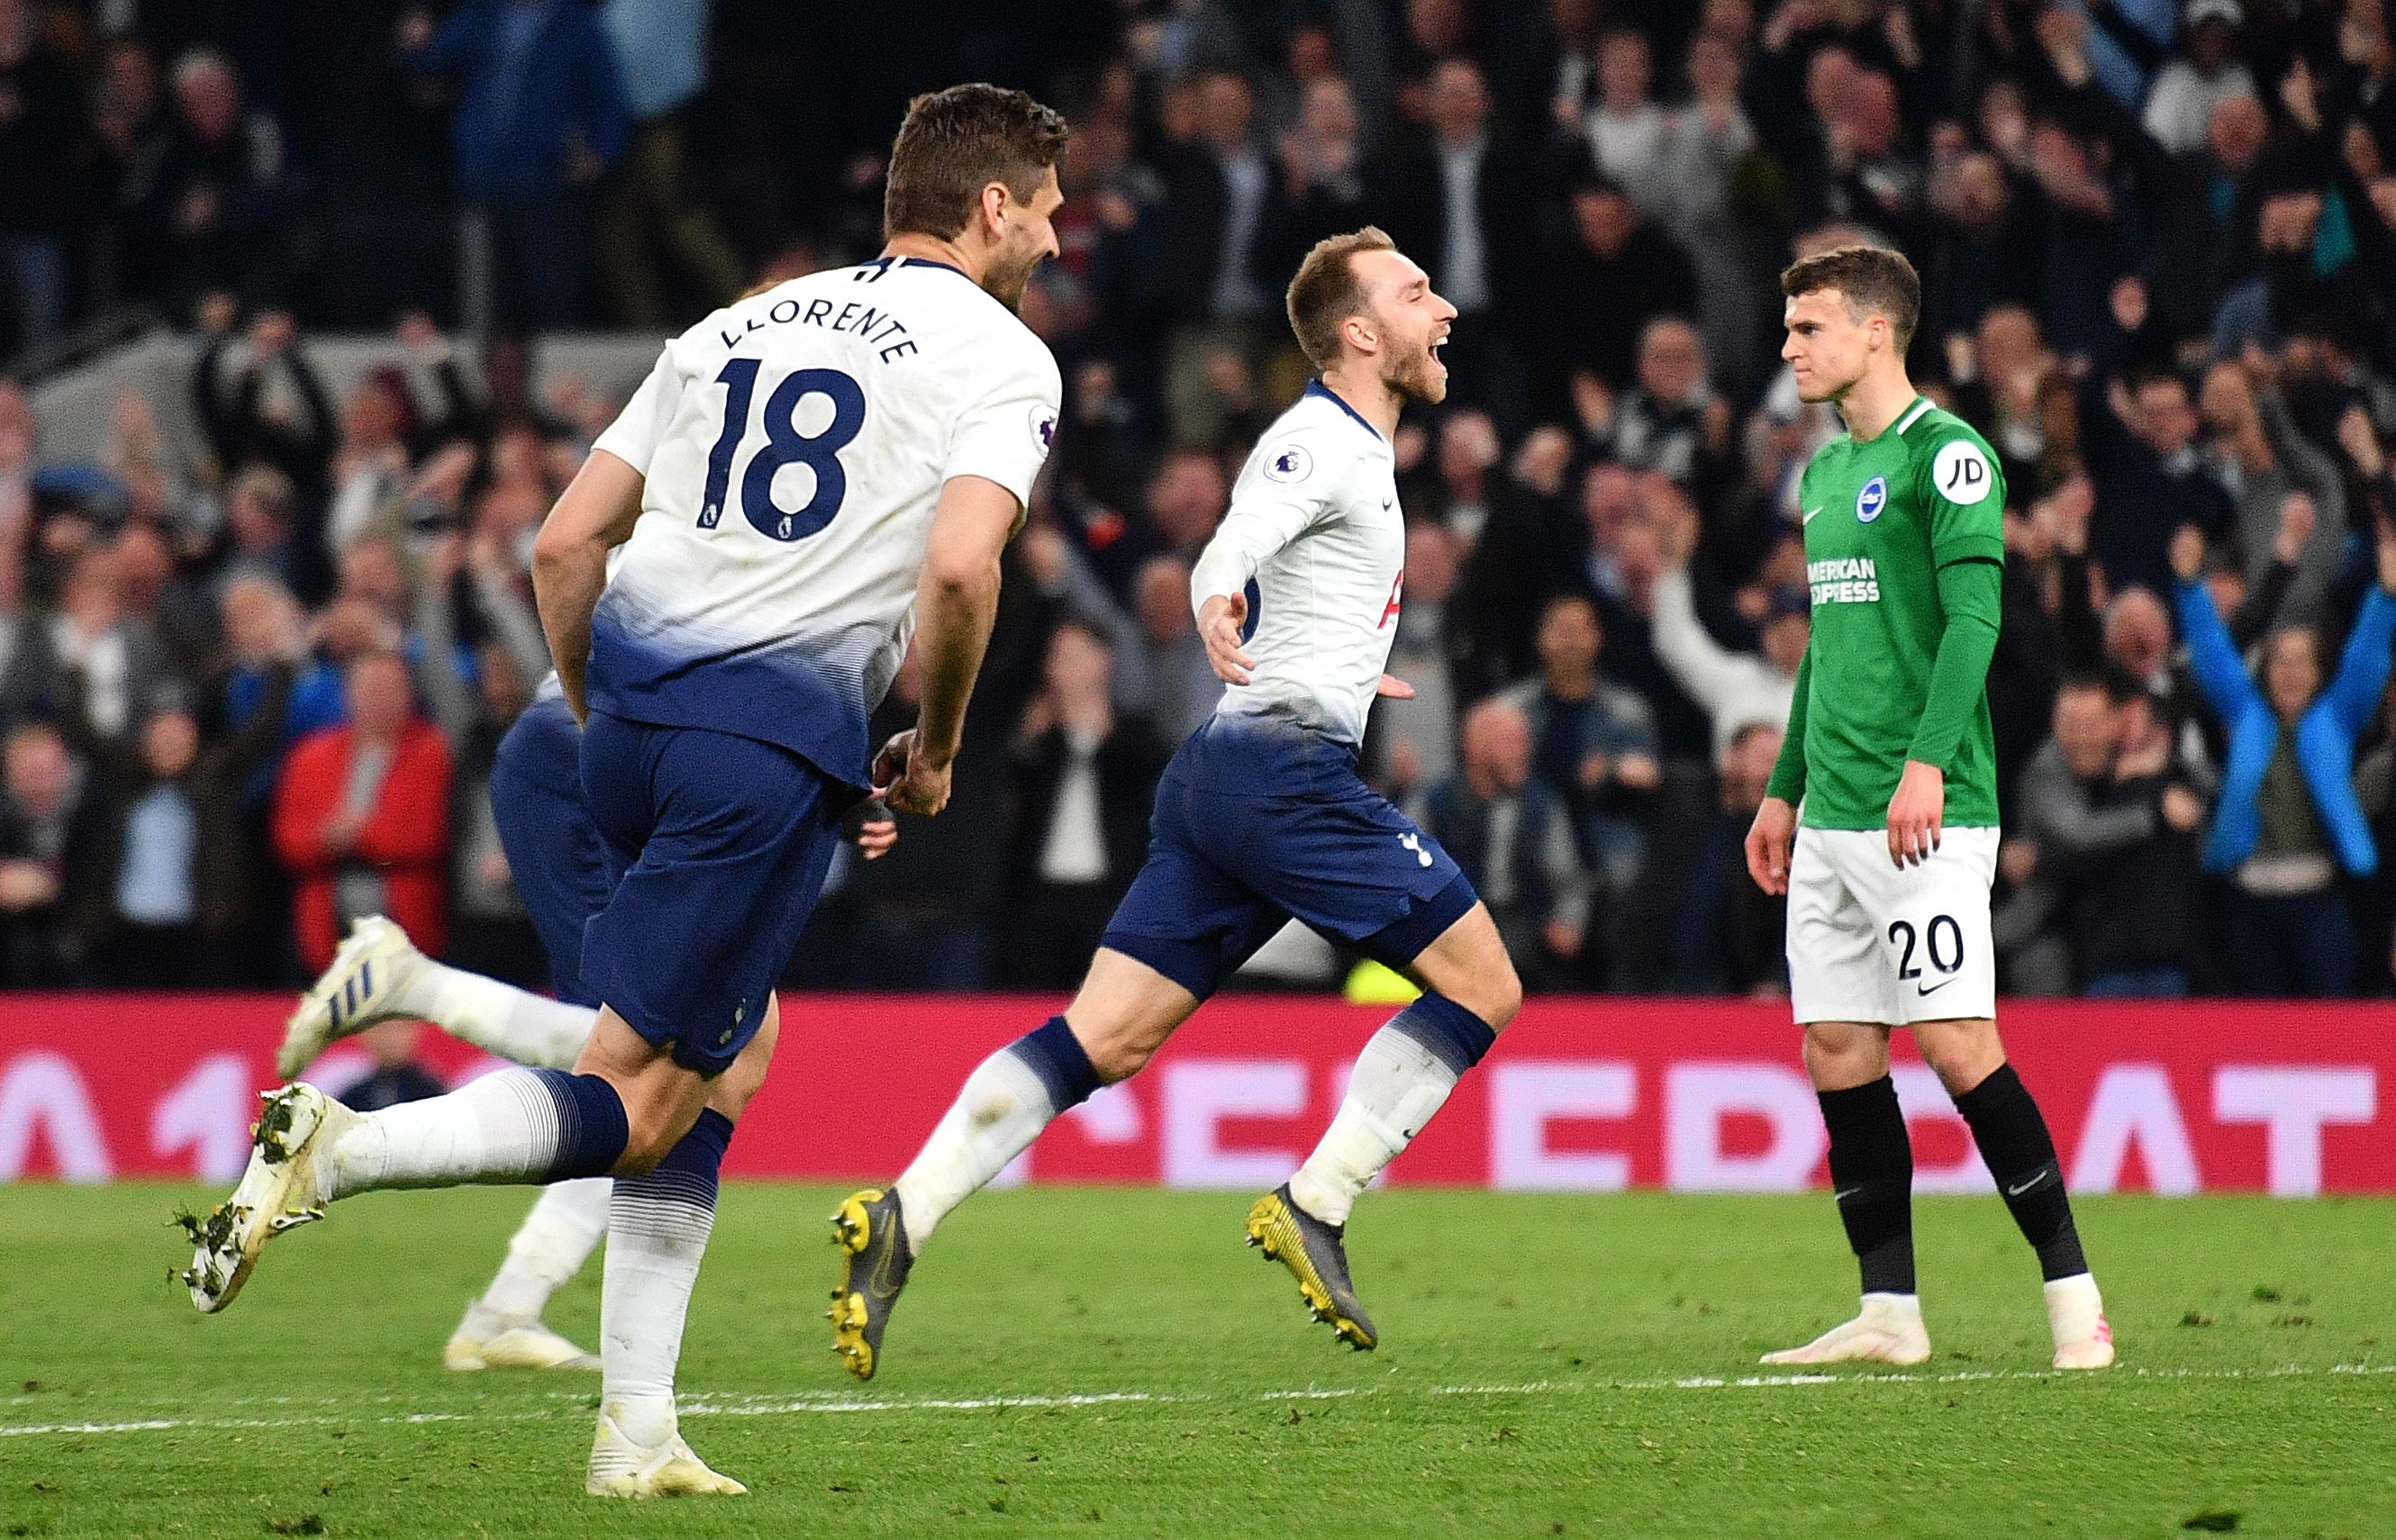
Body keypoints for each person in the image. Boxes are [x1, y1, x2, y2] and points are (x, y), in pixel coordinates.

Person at [182, 84, 1069, 1500]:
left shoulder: (735, 321)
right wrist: (939, 746)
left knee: (735, 1054)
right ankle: (341, 1147)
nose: (1059, 241)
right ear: (991, 207)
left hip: (630, 718)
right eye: (1048, 211)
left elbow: (559, 543)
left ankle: (637, 1429)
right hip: (758, 739)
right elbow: (964, 571)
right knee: (640, 1100)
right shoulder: (1005, 357)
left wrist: (616, 715)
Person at [828, 227, 1520, 1383]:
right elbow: (1234, 544)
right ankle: (1319, 1198)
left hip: (1225, 780)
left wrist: (1348, 667)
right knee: (1485, 985)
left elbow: (1297, 574)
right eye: (1415, 294)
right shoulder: (1322, 439)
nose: (1444, 309)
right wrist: (1213, 600)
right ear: (1359, 334)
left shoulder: (1355, 451)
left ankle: (906, 1209)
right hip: (1281, 777)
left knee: (1104, 1036)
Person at [1744, 245, 2113, 1372]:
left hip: (1926, 812)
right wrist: (1780, 789)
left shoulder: (1947, 460)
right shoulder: (1821, 474)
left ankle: (2074, 1303)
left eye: (1807, 329)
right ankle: (1888, 1312)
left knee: (1957, 1046)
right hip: (1830, 816)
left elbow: (1971, 624)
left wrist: (1926, 762)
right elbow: (1826, 643)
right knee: (1836, 1047)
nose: (1789, 347)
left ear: (1872, 332)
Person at [2169, 522, 2396, 997]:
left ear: (2318, 671)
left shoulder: (2336, 717)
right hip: (2251, 899)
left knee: (2325, 1026)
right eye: (2279, 661)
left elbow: (2366, 657)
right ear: (2265, 670)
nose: (2289, 672)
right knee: (2258, 1030)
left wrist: (2387, 597)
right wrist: (2190, 589)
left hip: (2320, 899)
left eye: (2301, 661)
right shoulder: (2246, 715)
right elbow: (2213, 655)